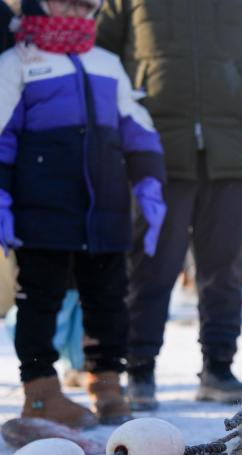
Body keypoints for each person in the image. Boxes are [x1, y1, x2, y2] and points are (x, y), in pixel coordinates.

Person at [97, 0, 242, 409]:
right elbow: (100, 54)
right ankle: (139, 368)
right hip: (154, 149)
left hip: (228, 150)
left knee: (225, 267)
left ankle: (218, 367)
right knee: (151, 266)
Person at [0, 0, 166, 427]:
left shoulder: (107, 63)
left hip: (106, 209)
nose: (74, 12)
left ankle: (107, 384)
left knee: (108, 299)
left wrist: (149, 181)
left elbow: (137, 126)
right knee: (40, 299)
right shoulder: (17, 62)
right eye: (65, 3)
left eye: (84, 5)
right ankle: (40, 392)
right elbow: (2, 134)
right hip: (42, 209)